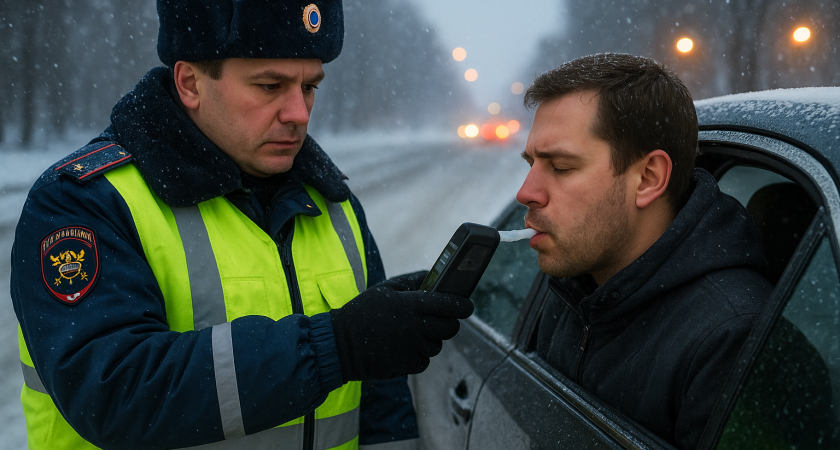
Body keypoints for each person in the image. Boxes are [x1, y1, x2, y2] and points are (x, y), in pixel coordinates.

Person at [10, 1, 473, 449]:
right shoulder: (85, 201)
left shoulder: (333, 201)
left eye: (310, 86)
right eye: (271, 86)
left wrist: (367, 339)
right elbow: (112, 392)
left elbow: (379, 403)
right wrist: (335, 346)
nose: (299, 113)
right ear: (190, 83)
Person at [516, 53, 772, 449]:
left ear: (648, 178)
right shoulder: (574, 285)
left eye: (561, 167)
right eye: (531, 163)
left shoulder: (734, 339)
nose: (525, 192)